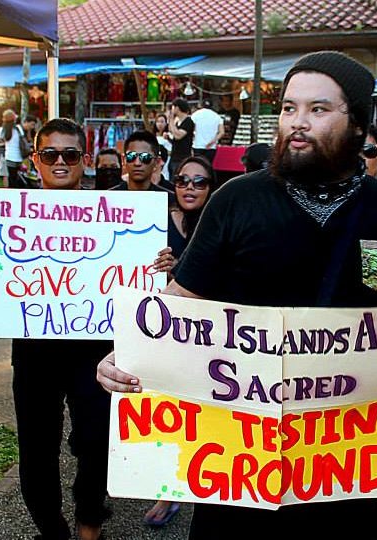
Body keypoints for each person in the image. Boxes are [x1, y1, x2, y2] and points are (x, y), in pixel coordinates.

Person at [97, 51, 377, 540]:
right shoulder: (235, 201)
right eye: (289, 108)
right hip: (236, 471)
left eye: (318, 109)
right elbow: (179, 302)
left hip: (344, 473)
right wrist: (126, 356)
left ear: (356, 124)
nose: (298, 123)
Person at [0, 118, 174, 540]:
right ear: (35, 160)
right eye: (50, 154)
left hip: (96, 350)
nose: (59, 162)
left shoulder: (113, 214)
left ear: (84, 159)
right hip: (34, 351)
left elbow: (143, 270)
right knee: (36, 448)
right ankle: (51, 528)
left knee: (97, 441)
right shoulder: (5, 213)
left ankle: (89, 522)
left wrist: (161, 266)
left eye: (69, 154)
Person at [143, 154, 218, 528]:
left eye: (199, 181)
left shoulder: (221, 223)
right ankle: (167, 490)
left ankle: (193, 486)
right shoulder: (157, 222)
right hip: (164, 331)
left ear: (211, 187)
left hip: (209, 339)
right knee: (166, 415)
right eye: (183, 180)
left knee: (201, 416)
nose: (189, 187)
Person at [109, 130, 172, 195]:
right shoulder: (109, 198)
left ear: (156, 162)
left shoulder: (169, 200)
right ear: (123, 160)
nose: (137, 163)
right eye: (131, 156)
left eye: (145, 157)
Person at [0, 109, 29, 188]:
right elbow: (23, 140)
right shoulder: (18, 128)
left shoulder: (3, 130)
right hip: (19, 158)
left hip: (9, 158)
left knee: (11, 179)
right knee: (17, 178)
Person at [190, 99, 224, 164]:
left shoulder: (195, 115)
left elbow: (191, 129)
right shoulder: (217, 116)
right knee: (208, 166)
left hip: (198, 145)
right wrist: (213, 141)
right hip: (211, 147)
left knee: (198, 165)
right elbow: (222, 132)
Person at [167, 98, 195, 178]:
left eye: (173, 107)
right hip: (174, 155)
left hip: (182, 156)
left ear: (177, 108)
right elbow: (172, 133)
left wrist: (171, 120)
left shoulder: (188, 121)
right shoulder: (177, 121)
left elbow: (178, 135)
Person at [153, 113, 172, 180]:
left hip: (167, 162)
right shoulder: (153, 136)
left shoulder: (170, 135)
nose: (160, 124)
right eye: (158, 122)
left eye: (162, 122)